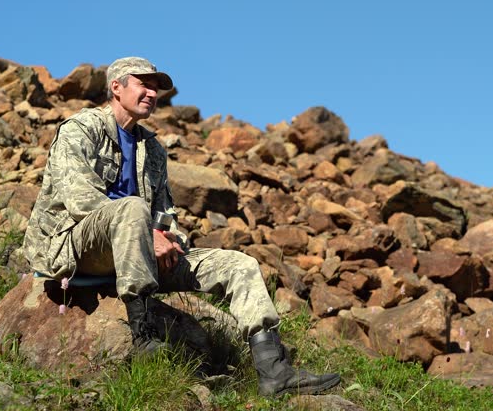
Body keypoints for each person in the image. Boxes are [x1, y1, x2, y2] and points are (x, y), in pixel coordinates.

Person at [21, 57, 340, 397]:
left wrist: (168, 236)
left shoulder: (152, 148)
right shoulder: (80, 129)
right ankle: (143, 337)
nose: (152, 92)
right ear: (116, 87)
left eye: (156, 87)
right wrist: (147, 232)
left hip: (136, 251)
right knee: (132, 207)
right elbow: (81, 201)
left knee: (239, 265)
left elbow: (165, 213)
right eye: (143, 83)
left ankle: (273, 370)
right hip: (75, 247)